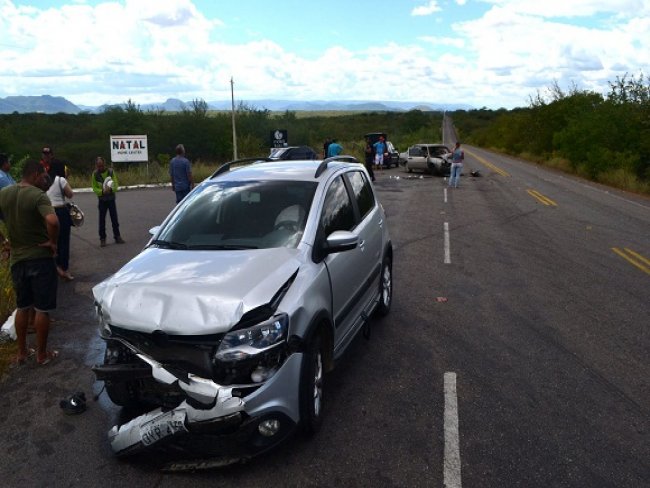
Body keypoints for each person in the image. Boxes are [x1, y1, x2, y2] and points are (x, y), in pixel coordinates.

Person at [0, 159, 60, 365]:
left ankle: (22, 353)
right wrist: (52, 242)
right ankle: (42, 355)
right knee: (42, 309)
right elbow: (52, 221)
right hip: (39, 259)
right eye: (42, 175)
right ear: (34, 174)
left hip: (17, 259)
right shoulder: (37, 195)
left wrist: (4, 241)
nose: (44, 178)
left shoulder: (5, 194)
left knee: (23, 306)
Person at [46, 160, 74, 281]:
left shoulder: (45, 180)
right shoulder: (60, 180)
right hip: (61, 212)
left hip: (47, 212)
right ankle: (65, 270)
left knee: (52, 241)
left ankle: (54, 268)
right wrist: (66, 179)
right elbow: (70, 194)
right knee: (64, 242)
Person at [91, 156, 125, 247]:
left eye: (101, 166)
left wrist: (111, 189)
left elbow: (116, 183)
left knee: (114, 219)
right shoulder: (94, 174)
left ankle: (117, 236)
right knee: (102, 220)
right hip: (102, 200)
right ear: (96, 166)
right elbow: (94, 187)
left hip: (111, 199)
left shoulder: (110, 172)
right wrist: (102, 191)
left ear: (104, 164)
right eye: (98, 166)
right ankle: (102, 239)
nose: (100, 168)